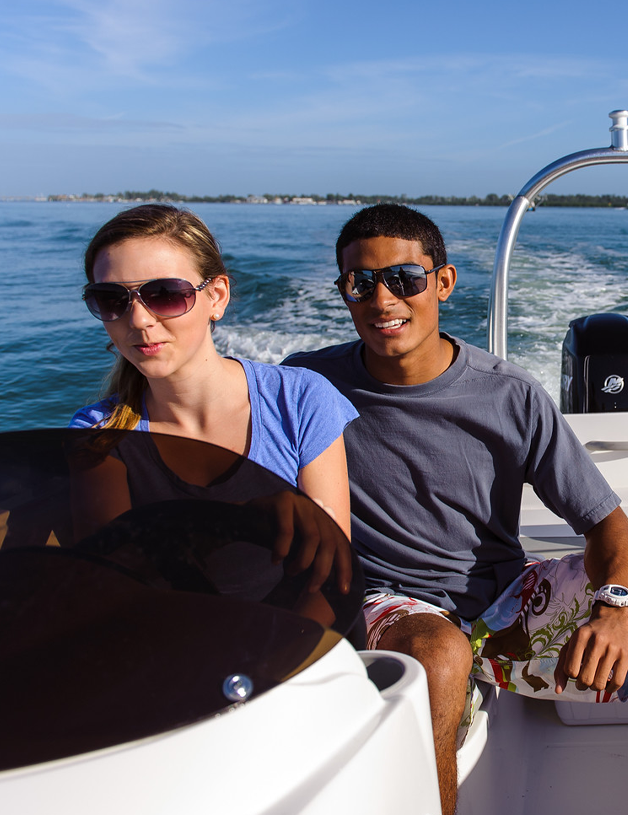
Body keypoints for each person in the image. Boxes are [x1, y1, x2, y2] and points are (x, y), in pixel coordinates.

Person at [283, 203, 628, 815]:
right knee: (440, 653)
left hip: (501, 604)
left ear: (441, 282)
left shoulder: (509, 394)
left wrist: (615, 609)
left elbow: (607, 523)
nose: (382, 299)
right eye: (359, 283)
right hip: (385, 601)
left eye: (404, 279)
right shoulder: (308, 386)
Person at [69, 203, 358, 596]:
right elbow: (116, 579)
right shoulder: (99, 433)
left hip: (295, 643)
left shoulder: (300, 400)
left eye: (164, 294)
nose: (138, 320)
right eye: (111, 299)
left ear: (216, 297)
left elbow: (329, 582)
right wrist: (240, 522)